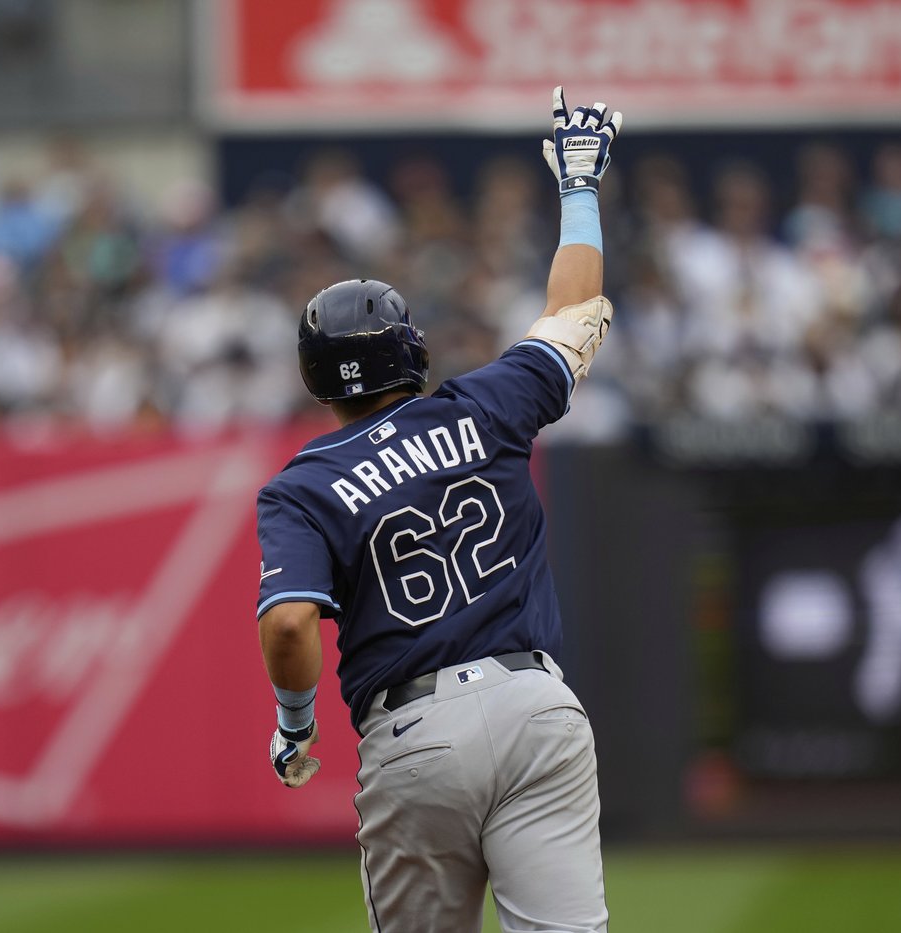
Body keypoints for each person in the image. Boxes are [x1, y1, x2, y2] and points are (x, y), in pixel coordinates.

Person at [255, 87, 622, 933]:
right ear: (408, 349)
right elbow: (575, 311)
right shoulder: (483, 403)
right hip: (535, 705)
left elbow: (289, 624)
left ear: (314, 376)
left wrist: (295, 725)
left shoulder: (302, 485)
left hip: (414, 732)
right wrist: (578, 187)